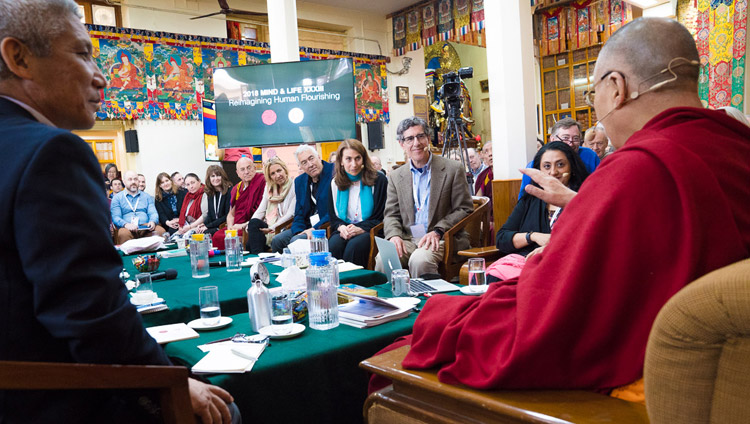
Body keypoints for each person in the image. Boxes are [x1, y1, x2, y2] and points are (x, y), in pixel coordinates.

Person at [371, 17, 750, 397]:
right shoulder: (737, 146)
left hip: (663, 366)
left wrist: (442, 319)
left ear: (616, 88)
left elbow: (554, 314)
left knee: (410, 346)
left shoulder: (637, 168)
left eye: (594, 96)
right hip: (726, 365)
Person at [0, 1, 238, 422]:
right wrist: (174, 383)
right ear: (18, 57)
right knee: (225, 406)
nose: (101, 75)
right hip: (46, 399)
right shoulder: (51, 152)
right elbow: (90, 317)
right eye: (82, 53)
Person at [376, 117, 473, 277]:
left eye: (420, 136)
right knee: (383, 258)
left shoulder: (452, 169)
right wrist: (394, 235)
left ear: (428, 138)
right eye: (409, 139)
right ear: (402, 144)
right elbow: (391, 214)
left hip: (442, 237)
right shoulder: (396, 176)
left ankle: (427, 302)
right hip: (409, 238)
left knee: (419, 260)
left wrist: (438, 231)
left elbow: (464, 209)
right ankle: (392, 302)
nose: (416, 143)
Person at [488, 142, 588, 281]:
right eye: (547, 166)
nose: (553, 172)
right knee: (494, 278)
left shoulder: (584, 198)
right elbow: (502, 238)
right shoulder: (530, 200)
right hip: (526, 264)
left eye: (560, 164)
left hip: (565, 266)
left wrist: (552, 246)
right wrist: (533, 236)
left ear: (572, 167)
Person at [327, 139, 388, 267]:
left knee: (354, 247)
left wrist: (360, 228)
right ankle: (336, 284)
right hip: (345, 229)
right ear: (341, 162)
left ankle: (357, 284)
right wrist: (341, 227)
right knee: (334, 245)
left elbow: (381, 215)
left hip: (370, 230)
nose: (354, 164)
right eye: (348, 159)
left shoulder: (379, 179)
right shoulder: (335, 183)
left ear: (364, 159)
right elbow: (334, 217)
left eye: (357, 158)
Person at [271, 145, 335, 253]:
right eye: (304, 162)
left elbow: (334, 210)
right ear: (300, 166)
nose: (310, 165)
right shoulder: (300, 181)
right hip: (306, 226)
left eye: (311, 158)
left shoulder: (334, 172)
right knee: (277, 240)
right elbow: (299, 213)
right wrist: (299, 231)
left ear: (318, 157)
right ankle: (287, 269)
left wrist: (313, 229)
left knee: (296, 241)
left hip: (326, 225)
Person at [517, 117, 600, 199]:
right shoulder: (535, 165)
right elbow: (524, 200)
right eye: (565, 138)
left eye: (575, 138)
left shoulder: (590, 156)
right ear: (553, 139)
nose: (570, 144)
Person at [212, 156, 265, 250]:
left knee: (238, 235)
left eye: (249, 168)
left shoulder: (262, 182)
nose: (246, 172)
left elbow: (264, 211)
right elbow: (231, 213)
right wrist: (230, 227)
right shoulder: (236, 188)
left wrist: (242, 226)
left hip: (252, 225)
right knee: (217, 235)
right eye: (242, 169)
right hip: (237, 225)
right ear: (237, 173)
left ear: (255, 168)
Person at [246, 157, 296, 253]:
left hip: (284, 225)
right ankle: (259, 258)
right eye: (273, 174)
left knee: (250, 244)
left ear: (285, 170)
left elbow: (290, 214)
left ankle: (257, 259)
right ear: (270, 177)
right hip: (270, 224)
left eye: (279, 170)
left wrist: (272, 228)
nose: (277, 175)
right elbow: (261, 210)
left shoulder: (294, 185)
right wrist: (250, 224)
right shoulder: (269, 188)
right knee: (253, 223)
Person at [111, 170, 166, 244]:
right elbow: (116, 217)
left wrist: (152, 221)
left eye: (135, 179)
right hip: (127, 227)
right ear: (124, 182)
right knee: (123, 234)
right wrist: (126, 224)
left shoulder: (146, 197)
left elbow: (153, 213)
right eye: (130, 179)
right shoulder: (117, 198)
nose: (133, 182)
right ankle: (129, 255)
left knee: (161, 231)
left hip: (146, 227)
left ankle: (157, 255)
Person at [197, 165, 232, 237]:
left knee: (205, 234)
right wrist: (204, 224)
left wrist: (208, 226)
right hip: (214, 226)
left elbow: (227, 216)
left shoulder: (229, 191)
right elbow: (210, 214)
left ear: (222, 177)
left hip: (225, 225)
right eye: (212, 176)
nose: (216, 178)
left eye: (218, 175)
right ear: (209, 179)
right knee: (198, 232)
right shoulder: (210, 193)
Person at [154, 171, 186, 235]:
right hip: (170, 224)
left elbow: (185, 208)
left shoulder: (181, 193)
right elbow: (161, 214)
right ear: (159, 185)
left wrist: (180, 219)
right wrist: (168, 222)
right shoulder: (158, 199)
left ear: (171, 181)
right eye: (162, 182)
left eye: (167, 180)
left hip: (184, 221)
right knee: (173, 232)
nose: (165, 183)